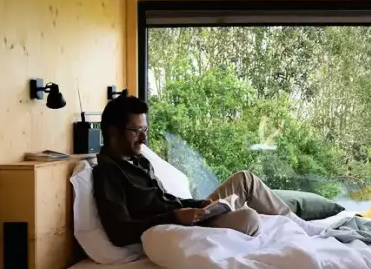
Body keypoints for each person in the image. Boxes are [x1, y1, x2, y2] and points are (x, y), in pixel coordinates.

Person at [91, 95, 297, 247]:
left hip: (189, 216)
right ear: (113, 132)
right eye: (136, 131)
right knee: (249, 218)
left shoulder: (139, 161)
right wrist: (175, 217)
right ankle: (296, 227)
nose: (144, 138)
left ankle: (299, 225)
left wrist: (201, 204)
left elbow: (166, 200)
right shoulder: (108, 173)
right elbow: (119, 232)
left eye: (145, 130)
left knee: (245, 179)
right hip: (180, 226)